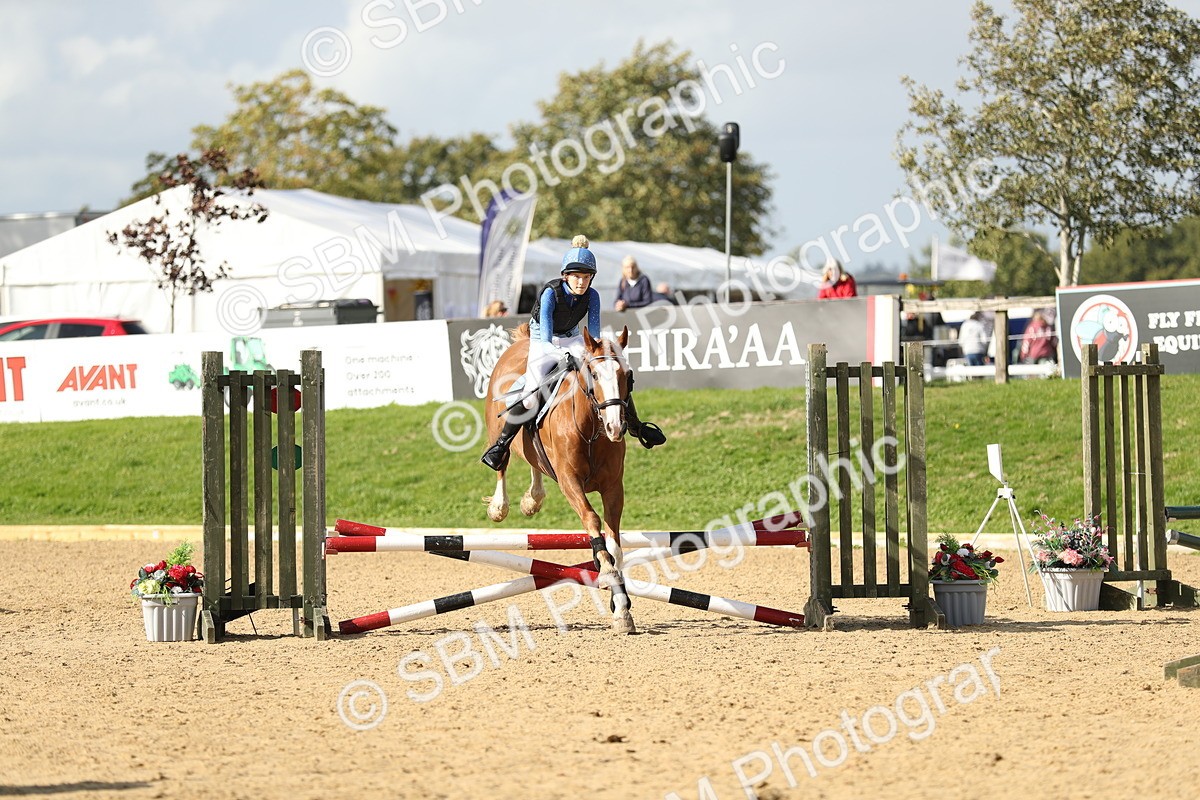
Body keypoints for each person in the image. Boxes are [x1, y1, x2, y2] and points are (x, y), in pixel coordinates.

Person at [481, 235, 665, 470]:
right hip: (543, 340)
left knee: (608, 374)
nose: (581, 282)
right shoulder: (550, 293)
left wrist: (597, 354)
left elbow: (594, 338)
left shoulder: (593, 296)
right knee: (529, 397)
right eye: (576, 276)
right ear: (565, 276)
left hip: (572, 338)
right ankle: (501, 445)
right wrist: (563, 357)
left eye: (586, 277)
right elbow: (547, 339)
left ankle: (637, 426)